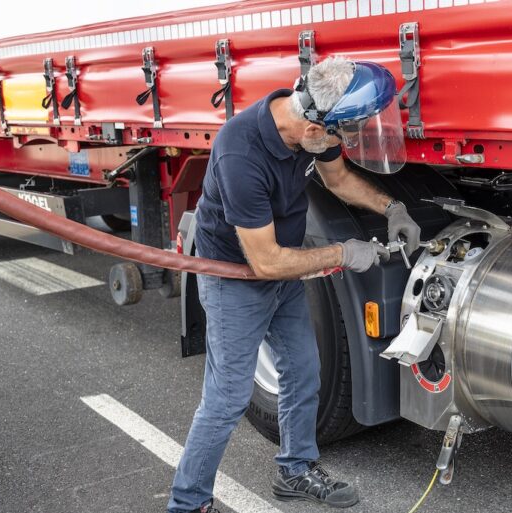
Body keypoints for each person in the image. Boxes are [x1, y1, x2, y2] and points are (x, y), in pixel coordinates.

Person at [167, 56, 421, 513]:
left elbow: (339, 179)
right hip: (235, 276)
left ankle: (296, 470)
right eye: (343, 136)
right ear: (311, 133)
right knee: (227, 399)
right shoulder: (241, 152)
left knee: (304, 370)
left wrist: (393, 210)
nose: (343, 144)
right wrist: (344, 253)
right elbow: (263, 261)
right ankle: (188, 503)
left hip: (284, 268)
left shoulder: (314, 120)